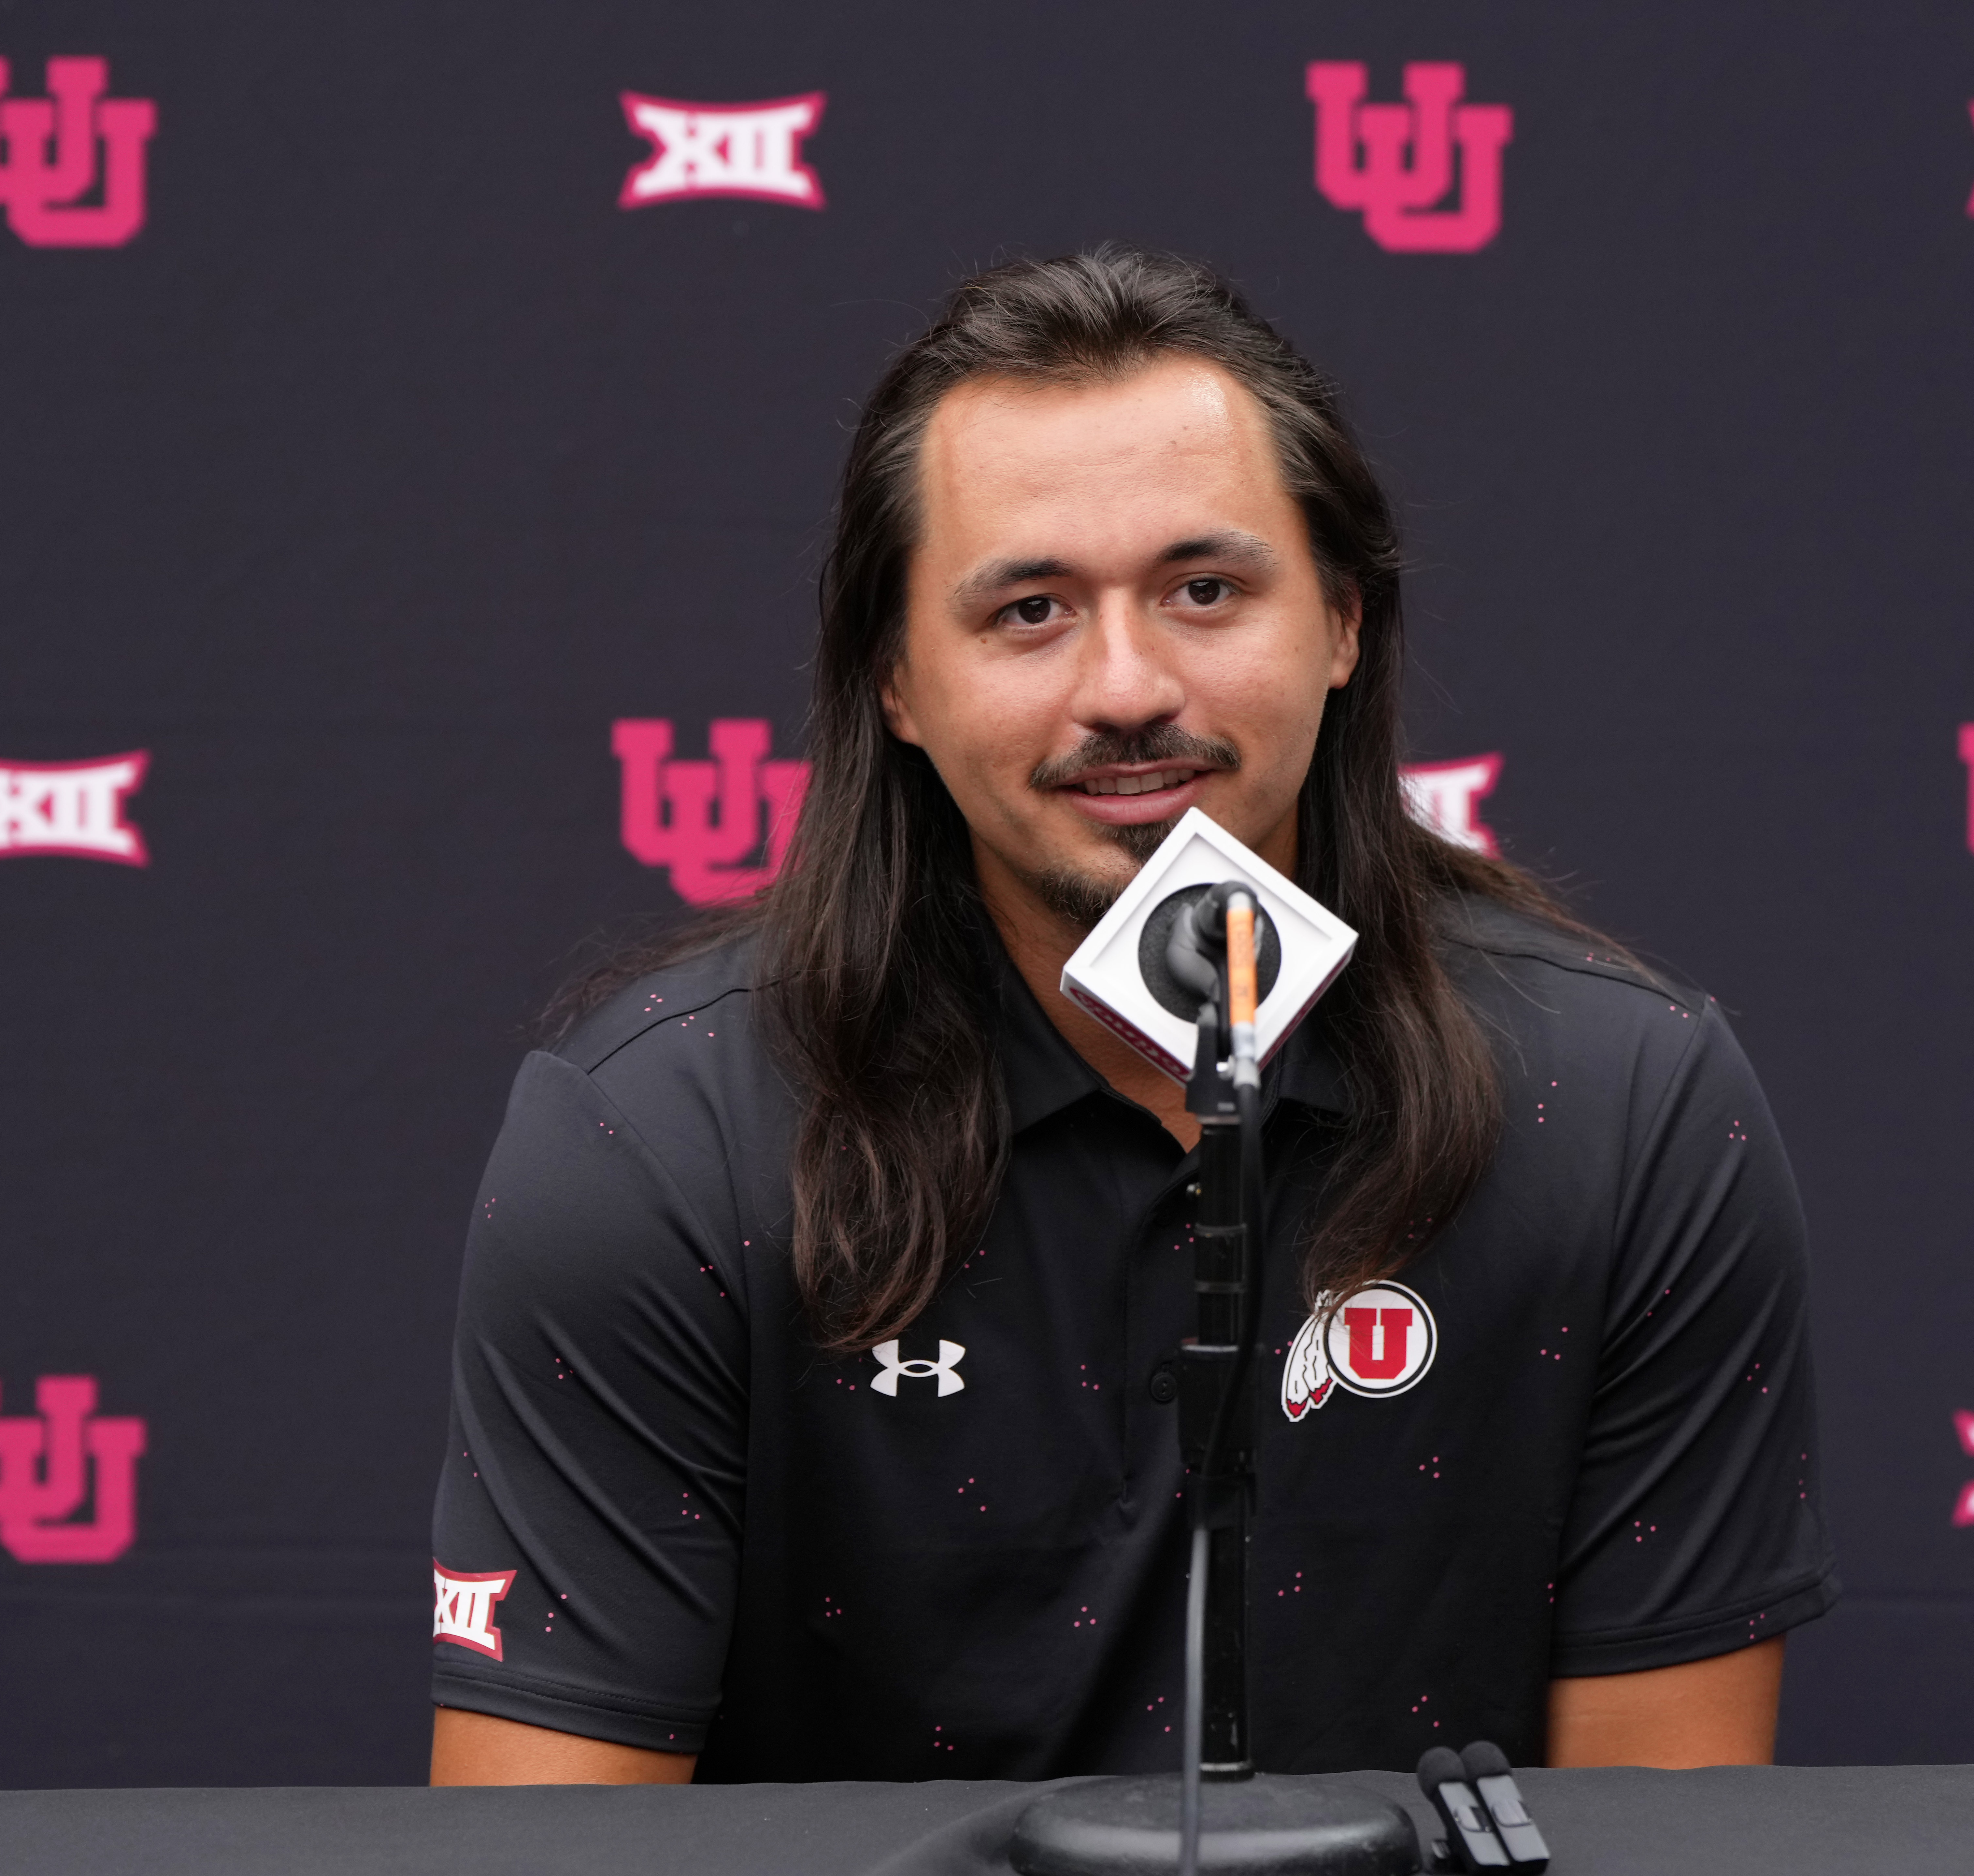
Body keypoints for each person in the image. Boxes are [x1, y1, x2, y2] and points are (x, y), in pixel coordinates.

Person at [427, 248, 1835, 1787]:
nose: (1127, 686)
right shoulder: (654, 1141)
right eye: (1029, 611)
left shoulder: (1625, 1105)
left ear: (1346, 625)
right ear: (896, 680)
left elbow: (1666, 1829)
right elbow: (547, 1844)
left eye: (1205, 590)